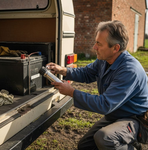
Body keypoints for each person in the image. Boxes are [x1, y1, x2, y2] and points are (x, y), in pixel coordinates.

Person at [47, 20, 148, 150]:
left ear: (115, 48)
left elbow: (104, 104)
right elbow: (87, 73)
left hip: (135, 120)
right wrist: (63, 70)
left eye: (99, 44)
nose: (94, 47)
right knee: (85, 146)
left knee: (105, 138)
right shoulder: (104, 60)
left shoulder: (129, 71)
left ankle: (134, 146)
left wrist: (72, 92)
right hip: (116, 114)